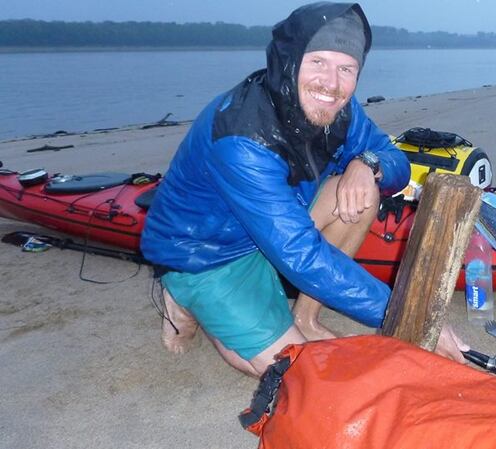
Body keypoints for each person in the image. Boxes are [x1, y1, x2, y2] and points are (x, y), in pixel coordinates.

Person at [141, 2, 468, 378]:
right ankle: (183, 296)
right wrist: (408, 313)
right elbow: (301, 255)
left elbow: (394, 159)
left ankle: (307, 318)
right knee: (295, 372)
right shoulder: (242, 139)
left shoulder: (340, 109)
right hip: (207, 253)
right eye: (318, 63)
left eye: (346, 69)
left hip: (280, 224)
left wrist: (368, 165)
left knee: (364, 195)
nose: (331, 83)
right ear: (289, 60)